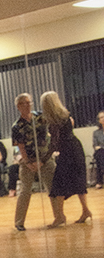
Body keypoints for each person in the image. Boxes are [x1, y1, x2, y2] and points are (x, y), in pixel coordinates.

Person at [40, 91, 91, 225]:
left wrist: (44, 159)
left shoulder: (54, 122)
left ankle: (60, 216)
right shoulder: (66, 116)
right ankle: (85, 210)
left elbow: (54, 144)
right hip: (76, 147)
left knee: (59, 183)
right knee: (78, 180)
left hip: (67, 152)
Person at [10, 93, 57, 231]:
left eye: (29, 102)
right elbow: (20, 146)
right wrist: (28, 163)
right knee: (25, 191)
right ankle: (19, 222)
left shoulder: (41, 117)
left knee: (53, 188)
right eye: (23, 103)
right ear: (18, 106)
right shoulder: (17, 126)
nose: (27, 105)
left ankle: (58, 216)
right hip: (28, 161)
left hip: (46, 158)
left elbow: (52, 132)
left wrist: (43, 160)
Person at [92, 110, 104, 189]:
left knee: (100, 154)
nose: (103, 119)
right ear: (99, 120)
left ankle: (99, 181)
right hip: (100, 153)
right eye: (101, 117)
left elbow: (99, 146)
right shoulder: (96, 133)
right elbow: (95, 146)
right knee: (100, 154)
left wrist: (101, 147)